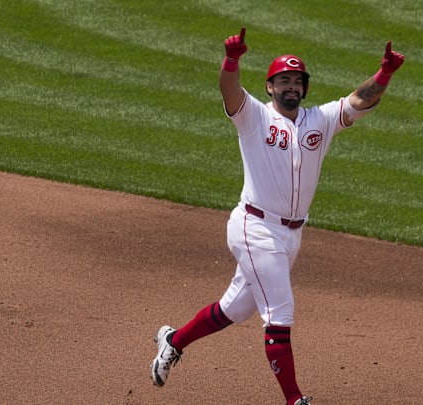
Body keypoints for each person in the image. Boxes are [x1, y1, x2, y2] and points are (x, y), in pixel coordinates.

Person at [150, 27, 405, 405]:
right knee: (280, 313)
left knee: (233, 308)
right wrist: (231, 59)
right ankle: (295, 401)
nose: (291, 87)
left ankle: (174, 340)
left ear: (304, 87)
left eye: (297, 81)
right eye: (283, 80)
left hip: (290, 236)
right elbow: (229, 90)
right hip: (255, 227)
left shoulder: (320, 119)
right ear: (270, 87)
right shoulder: (253, 115)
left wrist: (384, 73)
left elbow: (359, 101)